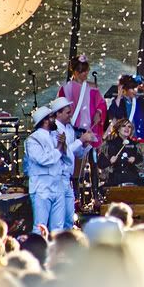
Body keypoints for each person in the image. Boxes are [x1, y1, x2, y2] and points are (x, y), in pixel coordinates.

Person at [50, 97, 93, 229]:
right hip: (56, 179)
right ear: (58, 113)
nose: (70, 115)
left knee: (69, 217)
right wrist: (80, 141)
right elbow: (63, 152)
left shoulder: (69, 129)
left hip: (67, 179)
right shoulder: (53, 130)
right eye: (68, 112)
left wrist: (85, 145)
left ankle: (68, 241)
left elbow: (77, 154)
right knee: (58, 218)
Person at [24, 106, 69, 234]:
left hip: (58, 184)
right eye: (52, 117)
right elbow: (43, 160)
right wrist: (59, 148)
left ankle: (57, 252)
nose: (55, 119)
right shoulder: (32, 140)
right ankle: (38, 252)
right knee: (40, 226)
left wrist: (64, 146)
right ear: (45, 121)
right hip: (41, 187)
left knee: (58, 227)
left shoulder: (56, 136)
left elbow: (68, 160)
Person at [57, 55, 107, 148]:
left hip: (91, 126)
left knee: (89, 155)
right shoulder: (65, 89)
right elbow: (59, 109)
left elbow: (102, 103)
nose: (86, 73)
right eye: (83, 71)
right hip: (71, 127)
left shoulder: (92, 87)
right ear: (75, 71)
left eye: (87, 70)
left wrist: (98, 112)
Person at [108, 74, 144, 141]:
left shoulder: (141, 101)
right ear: (125, 89)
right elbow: (113, 113)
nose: (135, 91)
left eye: (136, 88)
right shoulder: (121, 102)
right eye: (132, 88)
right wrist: (119, 94)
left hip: (142, 138)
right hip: (126, 138)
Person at [98, 118, 144, 186]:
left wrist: (135, 159)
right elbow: (100, 164)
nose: (127, 128)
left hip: (132, 179)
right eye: (123, 126)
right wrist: (109, 161)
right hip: (115, 180)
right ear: (118, 129)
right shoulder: (109, 144)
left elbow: (142, 162)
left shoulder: (135, 145)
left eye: (129, 126)